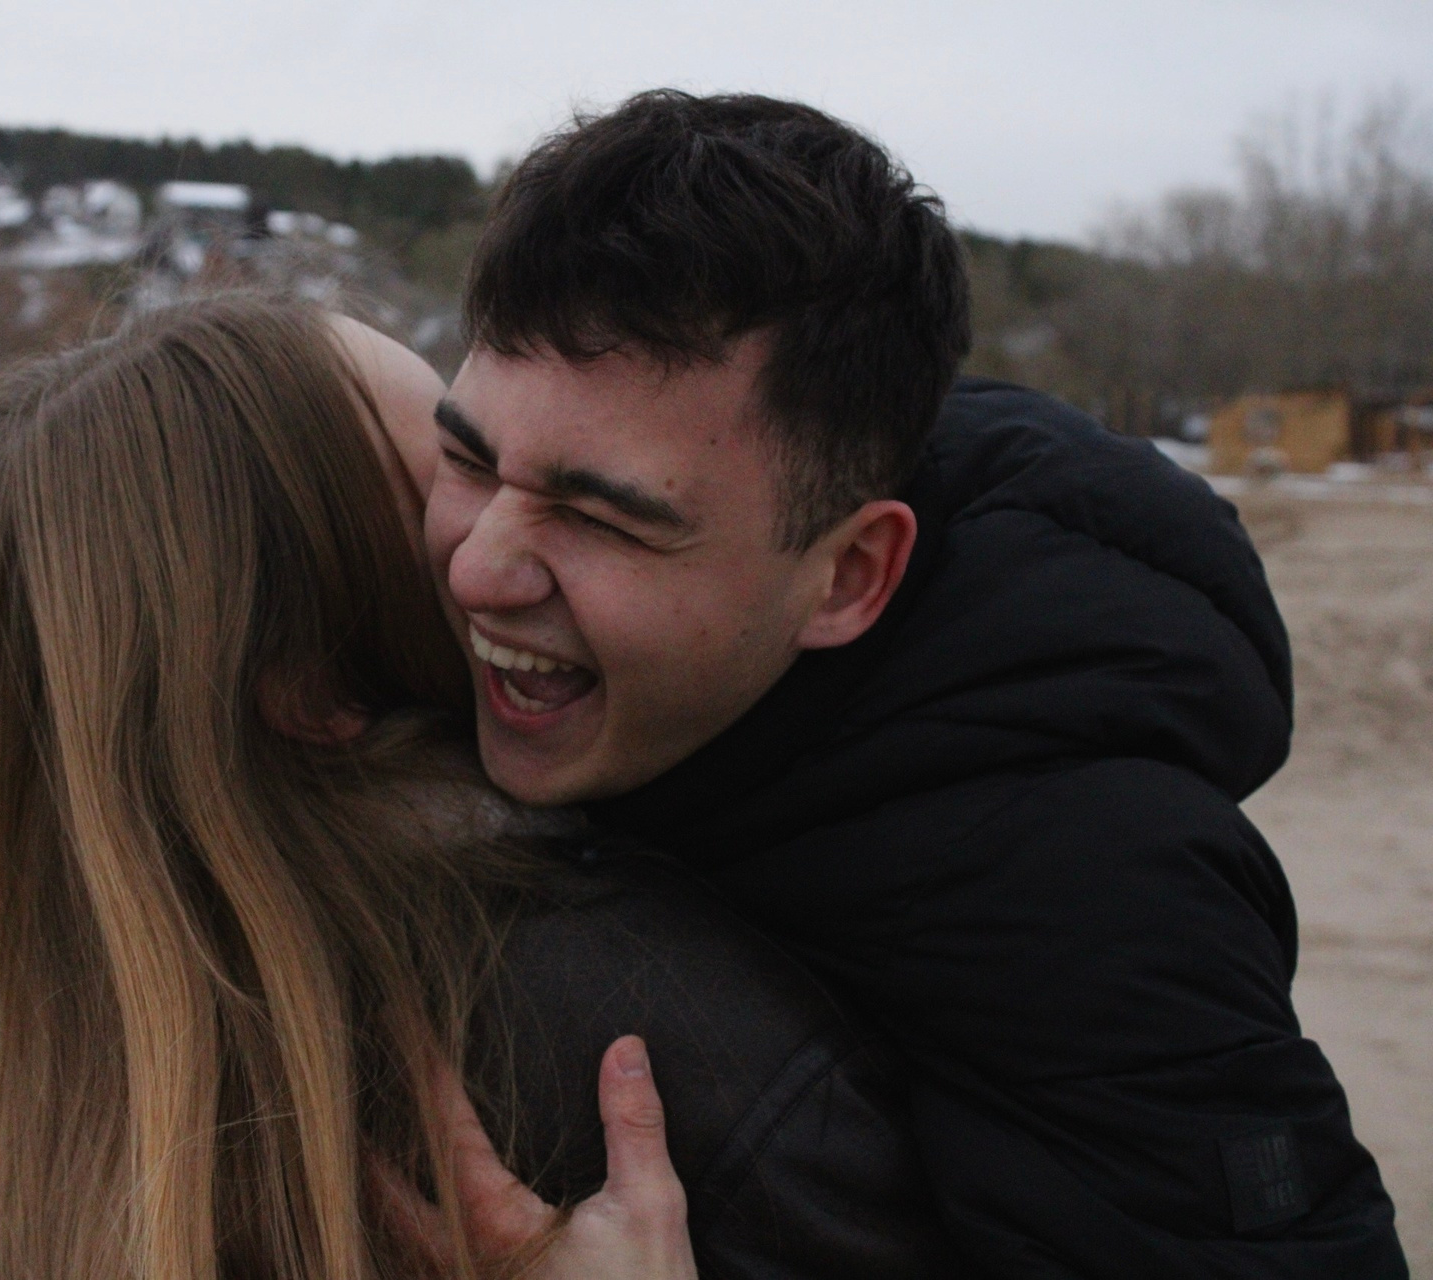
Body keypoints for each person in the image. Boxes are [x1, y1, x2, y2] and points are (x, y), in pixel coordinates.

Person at [418, 89, 1409, 1276]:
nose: (476, 571)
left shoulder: (1086, 899)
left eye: (601, 518)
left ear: (847, 575)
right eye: (467, 458)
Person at [0, 294, 960, 1279]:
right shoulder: (661, 1043)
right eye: (457, 467)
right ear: (313, 687)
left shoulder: (140, 1064)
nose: (497, 544)